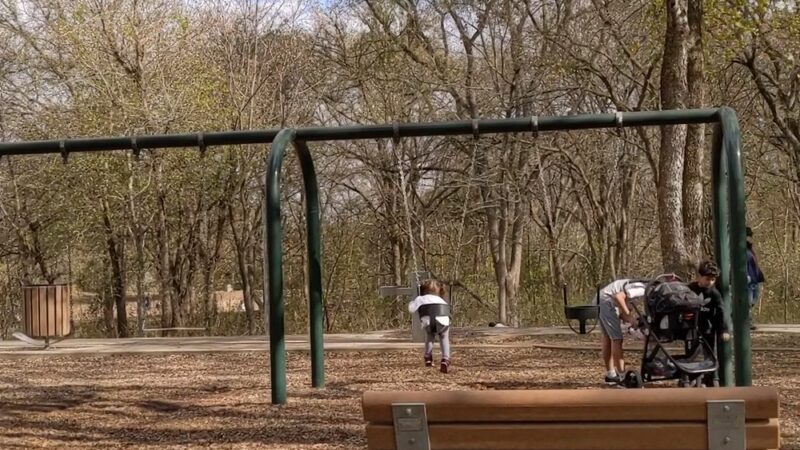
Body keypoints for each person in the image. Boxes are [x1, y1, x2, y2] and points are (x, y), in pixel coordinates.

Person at [687, 260, 732, 385]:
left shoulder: (714, 293)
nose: (710, 282)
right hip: (693, 327)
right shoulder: (690, 289)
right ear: (699, 277)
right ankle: (690, 376)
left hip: (708, 328)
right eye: (707, 279)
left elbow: (721, 311)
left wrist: (724, 329)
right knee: (692, 352)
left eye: (713, 280)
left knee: (710, 352)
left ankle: (710, 378)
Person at [593, 279, 646, 384]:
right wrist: (631, 318)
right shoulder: (641, 289)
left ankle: (611, 375)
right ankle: (622, 377)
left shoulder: (636, 291)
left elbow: (623, 313)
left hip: (600, 299)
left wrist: (632, 322)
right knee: (617, 339)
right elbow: (618, 297)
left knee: (608, 337)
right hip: (606, 301)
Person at [408, 279, 452, 373]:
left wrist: (413, 302)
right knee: (444, 337)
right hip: (443, 322)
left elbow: (411, 309)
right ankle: (445, 359)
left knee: (429, 336)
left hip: (427, 322)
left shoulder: (420, 298)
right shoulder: (442, 300)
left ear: (423, 290)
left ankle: (428, 356)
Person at [746, 227, 765, 329]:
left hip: (754, 280)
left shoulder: (750, 250)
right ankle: (747, 322)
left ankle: (745, 320)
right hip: (747, 281)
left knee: (754, 300)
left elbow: (755, 265)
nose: (749, 238)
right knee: (747, 302)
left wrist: (760, 277)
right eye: (748, 236)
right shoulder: (740, 251)